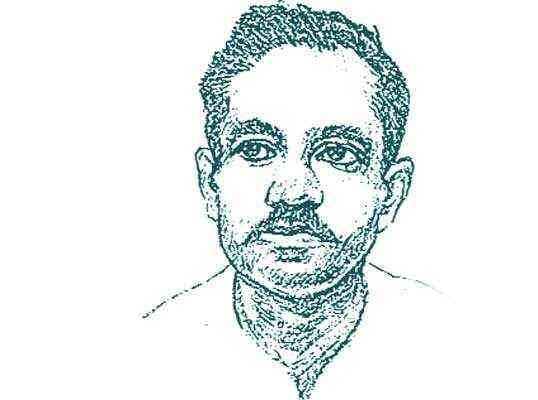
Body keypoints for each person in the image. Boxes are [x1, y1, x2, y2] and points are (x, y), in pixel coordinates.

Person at [142, 4, 454, 399]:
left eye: (338, 154)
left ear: (390, 194)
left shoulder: (461, 346)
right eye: (255, 150)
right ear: (209, 184)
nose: (292, 192)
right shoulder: (141, 356)